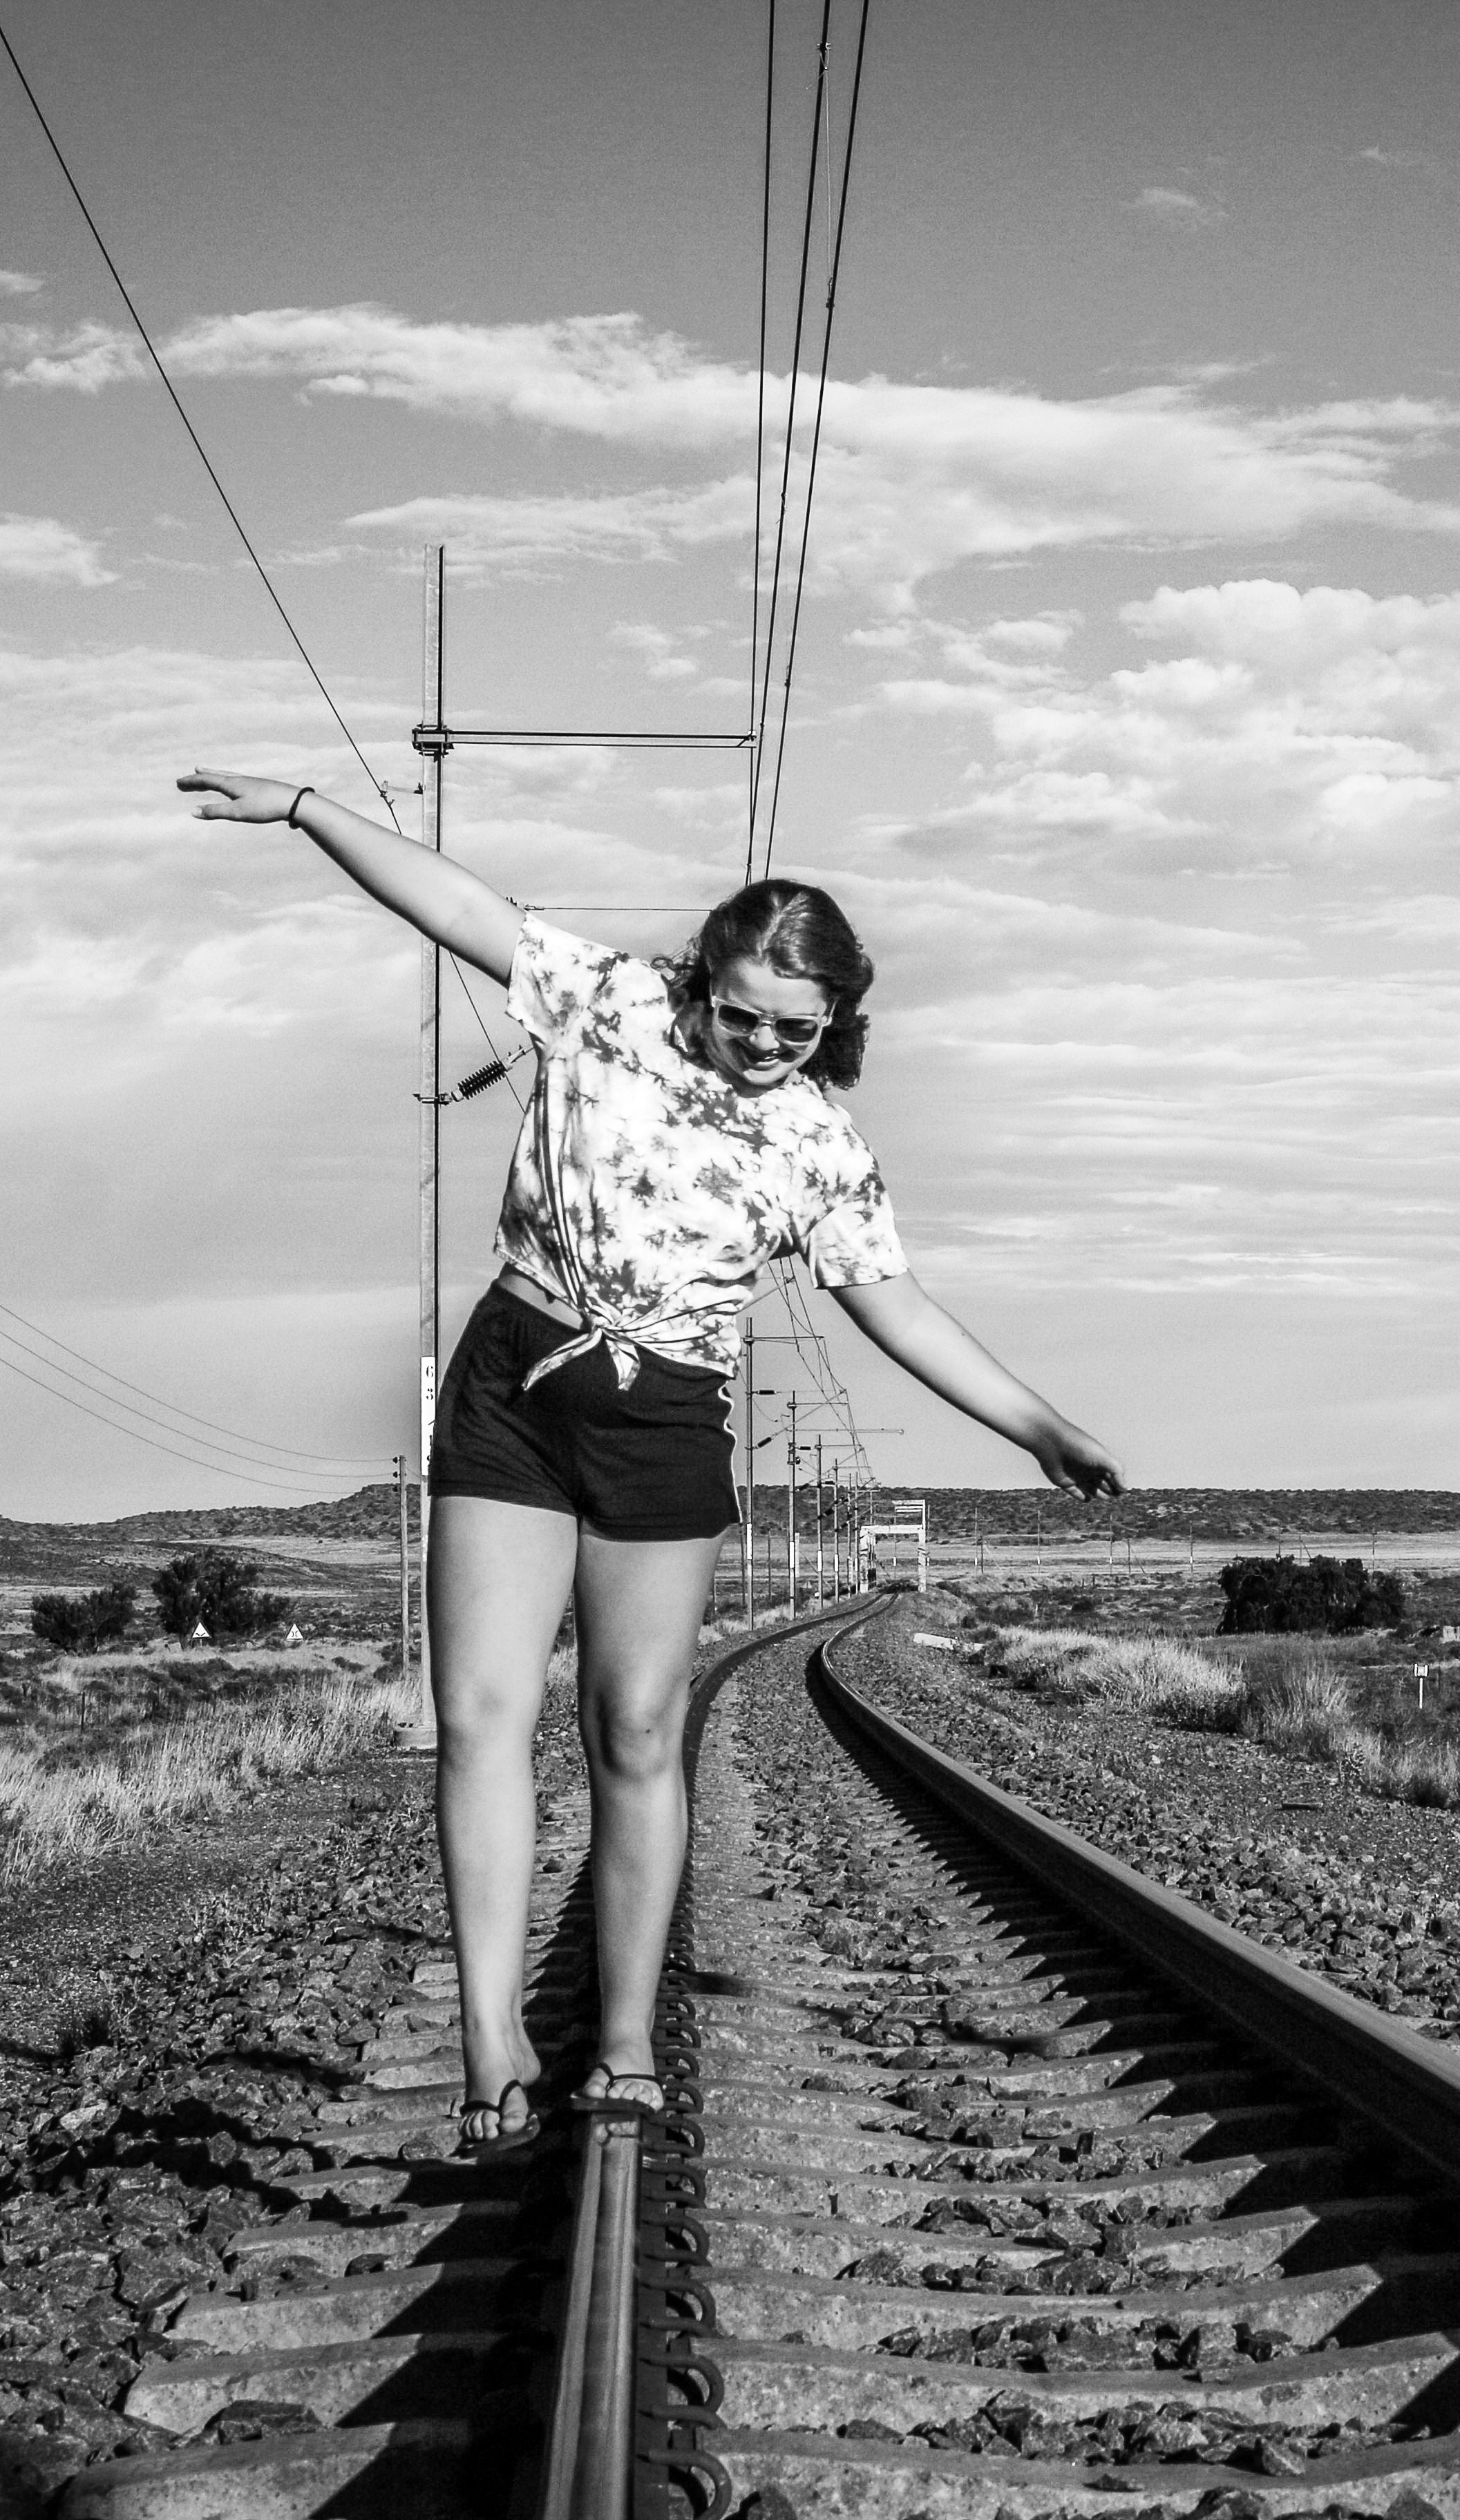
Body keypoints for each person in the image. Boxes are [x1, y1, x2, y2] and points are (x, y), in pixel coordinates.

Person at [178, 770, 1125, 2150]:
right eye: (736, 1010)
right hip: (514, 1382)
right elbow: (457, 906)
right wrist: (312, 810)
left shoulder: (824, 1152)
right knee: (483, 1716)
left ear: (836, 1025)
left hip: (663, 1422)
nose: (756, 1041)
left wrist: (1042, 1425)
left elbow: (895, 1308)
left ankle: (622, 2036)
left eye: (793, 1028)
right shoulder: (607, 1004)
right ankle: (493, 2033)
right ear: (701, 979)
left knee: (631, 1730)